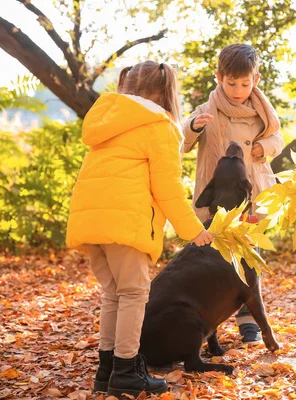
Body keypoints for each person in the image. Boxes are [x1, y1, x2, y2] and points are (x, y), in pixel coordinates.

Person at [66, 61, 212, 396]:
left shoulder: (108, 118)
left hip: (92, 221)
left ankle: (107, 370)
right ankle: (127, 372)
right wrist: (194, 230)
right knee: (133, 294)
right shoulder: (157, 125)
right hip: (126, 221)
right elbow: (167, 189)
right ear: (164, 90)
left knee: (114, 293)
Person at [182, 43, 284, 343]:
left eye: (244, 83)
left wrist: (265, 147)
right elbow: (182, 141)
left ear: (256, 80)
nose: (238, 90)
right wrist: (193, 127)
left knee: (250, 259)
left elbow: (277, 137)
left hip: (252, 197)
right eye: (231, 83)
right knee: (213, 260)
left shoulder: (261, 112)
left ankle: (248, 319)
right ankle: (208, 322)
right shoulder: (207, 111)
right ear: (218, 77)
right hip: (217, 201)